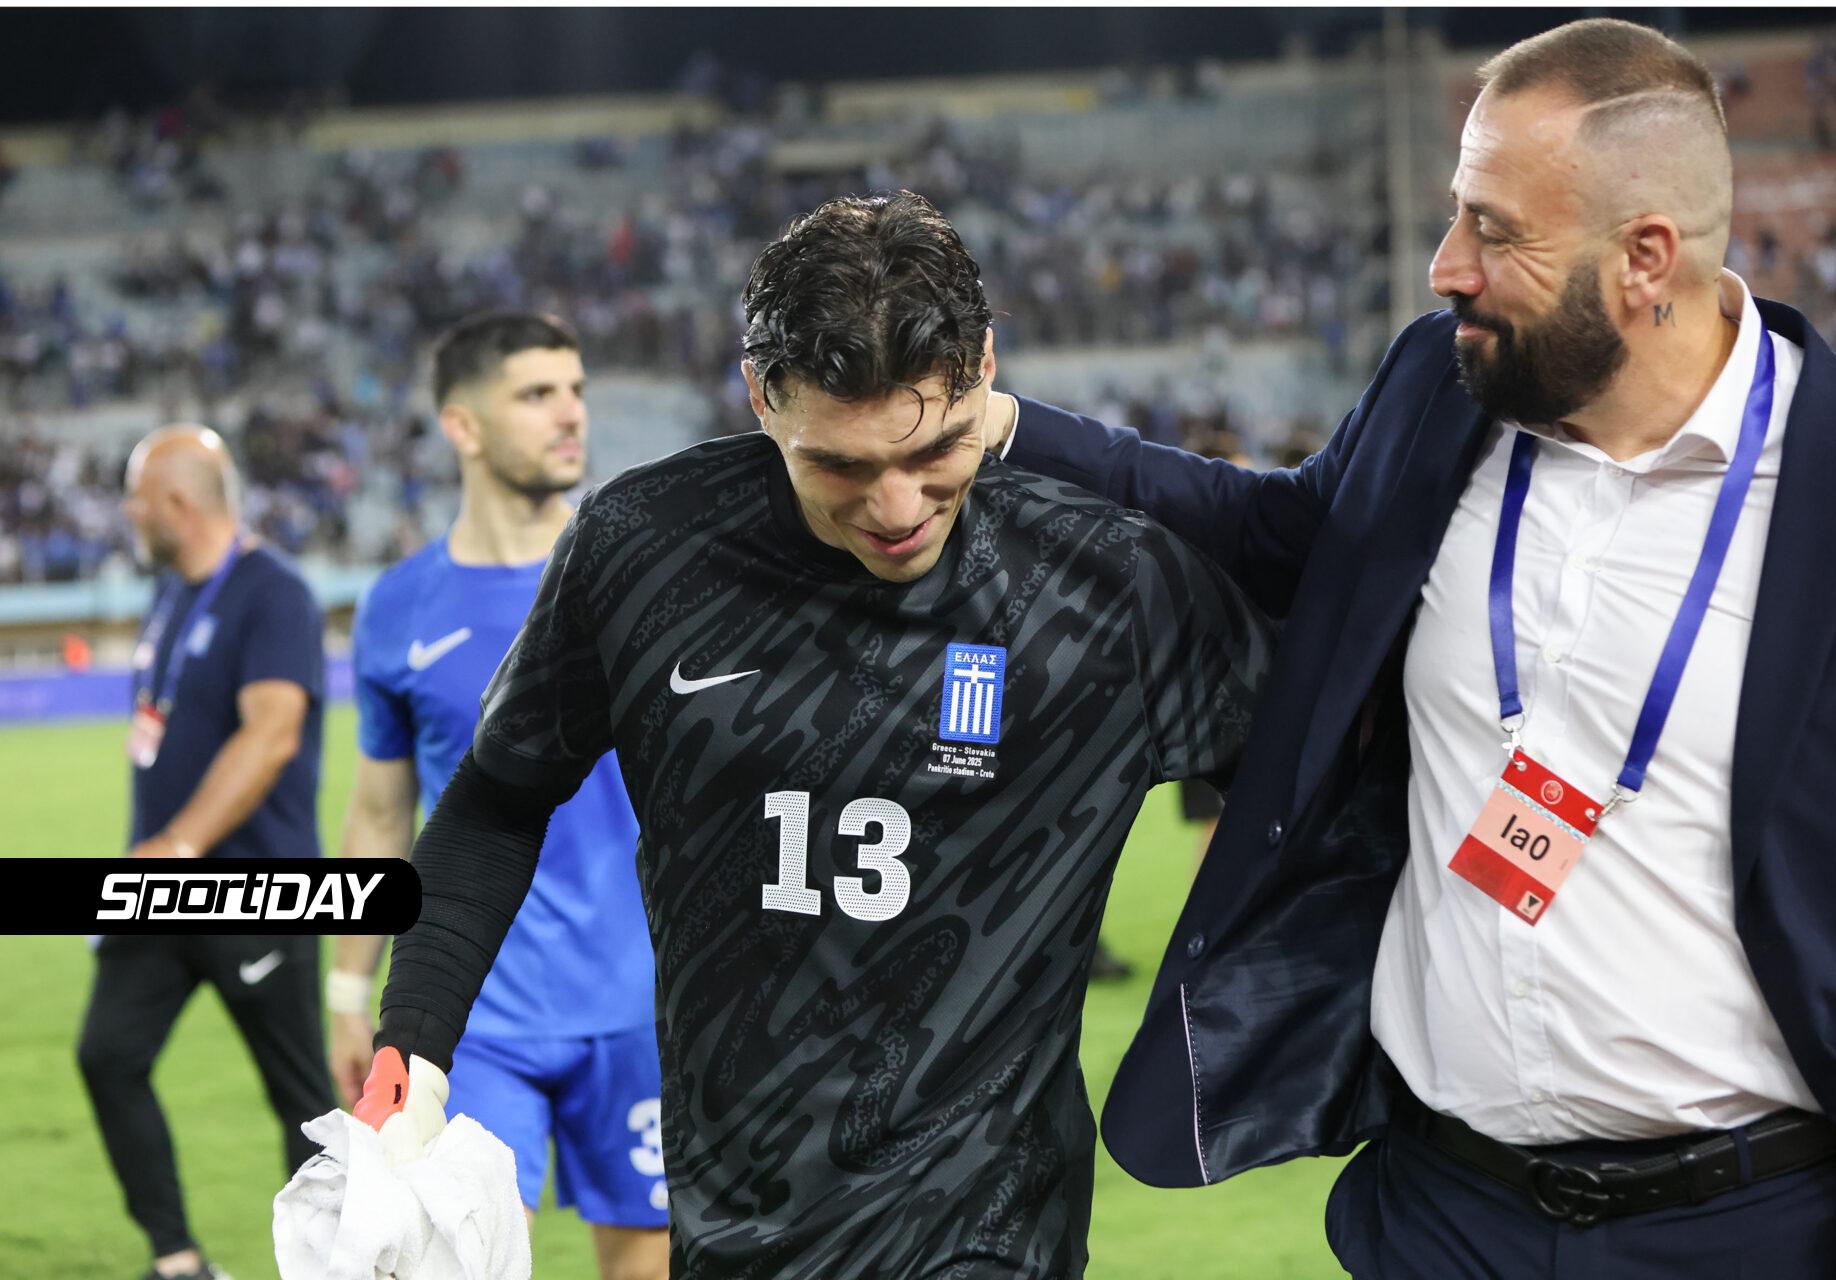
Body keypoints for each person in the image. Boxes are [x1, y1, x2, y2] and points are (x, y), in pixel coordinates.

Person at [987, 18, 1836, 1279]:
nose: (1446, 267)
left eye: (1496, 229)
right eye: (1455, 215)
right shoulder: (1443, 387)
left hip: (1761, 1229)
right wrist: (1003, 428)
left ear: (1645, 258)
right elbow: (1276, 536)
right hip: (1443, 1213)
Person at [350, 191, 1274, 1278]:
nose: (897, 506)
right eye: (841, 464)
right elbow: (497, 799)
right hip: (738, 1230)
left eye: (936, 448)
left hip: (993, 1232)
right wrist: (412, 1052)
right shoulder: (644, 549)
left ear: (985, 369)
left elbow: (1309, 784)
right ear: (761, 395)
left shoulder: (1106, 583)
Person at [329, 311, 669, 1279]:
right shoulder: (399, 606)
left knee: (650, 1267)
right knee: (459, 1263)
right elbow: (380, 812)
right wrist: (350, 990)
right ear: (463, 425)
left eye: (576, 390)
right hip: (474, 1016)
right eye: (536, 394)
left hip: (641, 1001)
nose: (570, 414)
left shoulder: (641, 575)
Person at [80, 425, 331, 1280]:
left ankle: (331, 1268)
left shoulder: (274, 595)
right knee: (108, 1055)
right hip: (161, 887)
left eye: (137, 497)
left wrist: (182, 842)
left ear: (179, 503)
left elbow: (272, 734)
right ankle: (178, 1262)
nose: (127, 513)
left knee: (301, 1105)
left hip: (258, 888)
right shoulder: (170, 592)